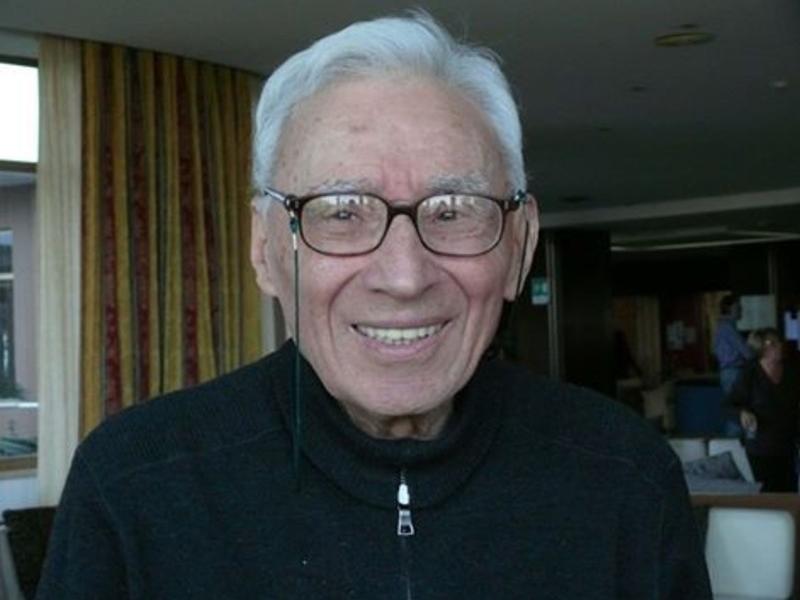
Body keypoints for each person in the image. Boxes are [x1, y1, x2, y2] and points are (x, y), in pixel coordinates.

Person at [37, 12, 711, 599]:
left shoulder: (625, 478)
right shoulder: (135, 485)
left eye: (453, 210)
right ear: (265, 249)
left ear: (520, 244)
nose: (404, 276)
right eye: (341, 212)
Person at [730, 328, 799, 492]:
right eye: (772, 343)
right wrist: (742, 413)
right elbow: (730, 404)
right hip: (761, 446)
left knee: (789, 491)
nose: (779, 346)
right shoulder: (750, 374)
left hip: (787, 444)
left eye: (778, 342)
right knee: (768, 492)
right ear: (760, 348)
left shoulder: (791, 372)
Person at [713, 294, 754, 436]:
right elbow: (746, 352)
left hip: (729, 371)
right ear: (729, 308)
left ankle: (733, 440)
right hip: (733, 371)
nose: (741, 310)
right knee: (736, 409)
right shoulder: (727, 328)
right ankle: (733, 441)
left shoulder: (723, 327)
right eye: (738, 307)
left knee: (734, 407)